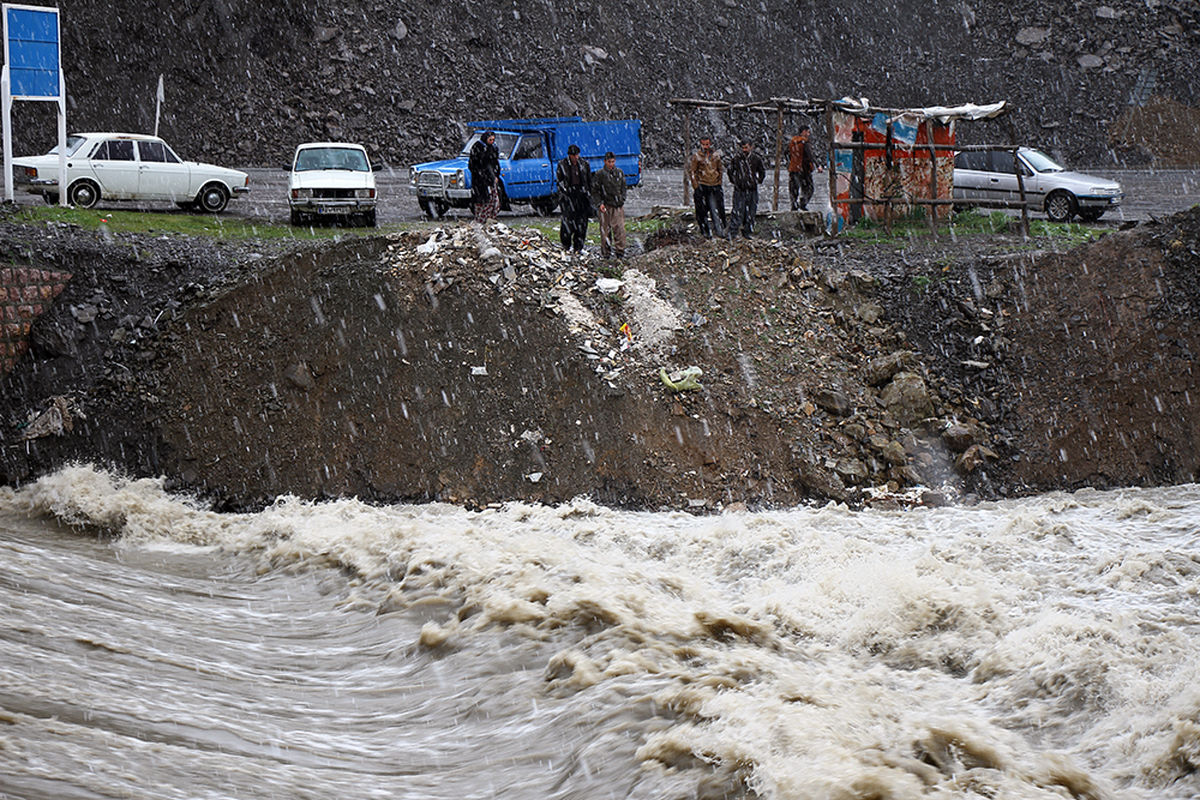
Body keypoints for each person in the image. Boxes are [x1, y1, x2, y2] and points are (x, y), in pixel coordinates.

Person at [556, 144, 592, 252]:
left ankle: (578, 246)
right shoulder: (563, 165)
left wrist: (588, 195)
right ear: (569, 156)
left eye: (577, 155)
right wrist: (564, 194)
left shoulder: (584, 164)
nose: (575, 158)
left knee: (581, 223)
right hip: (568, 197)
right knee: (568, 222)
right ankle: (566, 245)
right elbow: (560, 181)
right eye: (573, 156)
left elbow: (589, 181)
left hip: (581, 196)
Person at [687, 136, 726, 238]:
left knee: (715, 209)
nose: (705, 146)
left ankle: (719, 230)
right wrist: (696, 186)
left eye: (707, 144)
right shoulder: (697, 156)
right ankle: (705, 230)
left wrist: (719, 182)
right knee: (702, 210)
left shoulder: (716, 156)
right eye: (704, 144)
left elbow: (720, 170)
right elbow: (692, 172)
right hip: (702, 185)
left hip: (714, 185)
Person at [592, 151, 627, 258]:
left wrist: (622, 199)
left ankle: (620, 251)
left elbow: (623, 187)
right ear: (605, 162)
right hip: (605, 206)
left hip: (617, 205)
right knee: (605, 231)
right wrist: (600, 204)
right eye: (609, 162)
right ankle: (606, 252)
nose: (611, 164)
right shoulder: (600, 174)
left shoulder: (619, 172)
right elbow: (595, 191)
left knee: (619, 229)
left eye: (612, 162)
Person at [727, 139, 765, 238]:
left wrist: (756, 181)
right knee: (737, 210)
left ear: (751, 147)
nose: (744, 150)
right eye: (743, 148)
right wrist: (736, 181)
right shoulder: (736, 159)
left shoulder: (756, 159)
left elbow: (762, 172)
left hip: (752, 189)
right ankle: (733, 232)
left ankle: (747, 232)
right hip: (740, 189)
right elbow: (730, 171)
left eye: (746, 147)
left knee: (751, 212)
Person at [468, 130, 501, 221]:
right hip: (480, 180)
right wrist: (481, 175)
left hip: (490, 178)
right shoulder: (478, 147)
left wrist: (495, 175)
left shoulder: (493, 148)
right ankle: (481, 218)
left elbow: (495, 163)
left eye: (493, 140)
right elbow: (473, 164)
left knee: (493, 200)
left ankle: (490, 217)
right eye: (490, 139)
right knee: (482, 201)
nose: (492, 141)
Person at [787, 125, 821, 211]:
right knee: (809, 188)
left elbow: (786, 153)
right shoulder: (804, 142)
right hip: (804, 169)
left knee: (794, 189)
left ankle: (794, 205)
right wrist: (817, 165)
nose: (809, 134)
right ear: (804, 132)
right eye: (808, 132)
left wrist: (791, 161)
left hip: (794, 169)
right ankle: (802, 204)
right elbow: (810, 155)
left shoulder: (792, 142)